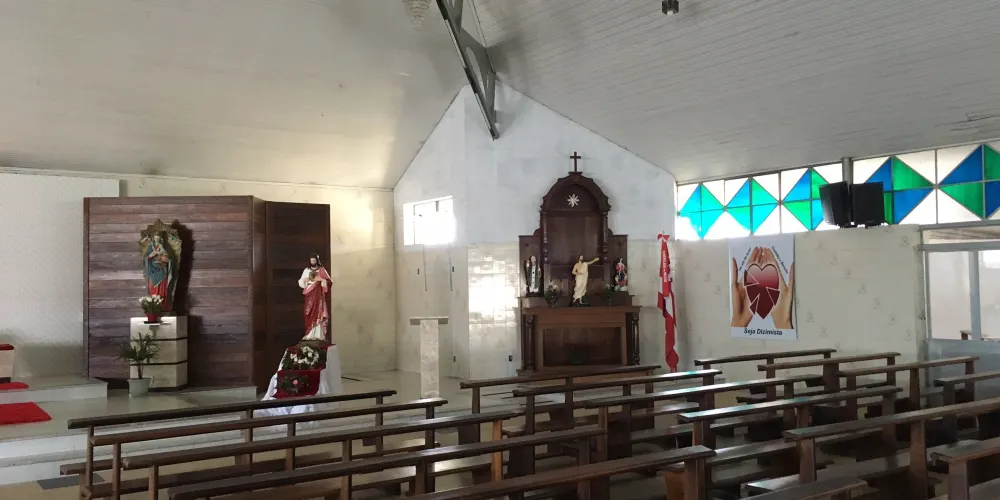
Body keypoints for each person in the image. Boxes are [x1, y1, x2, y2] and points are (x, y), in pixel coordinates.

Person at [298, 254, 331, 341]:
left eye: (314, 260)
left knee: (319, 312)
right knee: (308, 313)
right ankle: (309, 335)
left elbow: (329, 282)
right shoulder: (307, 270)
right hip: (309, 294)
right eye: (311, 260)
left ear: (317, 261)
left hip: (318, 296)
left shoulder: (321, 269)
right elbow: (301, 281)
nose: (313, 262)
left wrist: (322, 280)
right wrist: (305, 280)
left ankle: (319, 335)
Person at [143, 233, 175, 312]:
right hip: (152, 272)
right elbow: (145, 259)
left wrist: (166, 259)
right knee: (153, 289)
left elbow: (170, 260)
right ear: (153, 239)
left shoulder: (164, 248)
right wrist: (151, 255)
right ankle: (153, 308)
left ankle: (163, 307)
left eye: (158, 238)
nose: (157, 240)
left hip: (162, 272)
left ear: (161, 239)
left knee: (162, 290)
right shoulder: (150, 247)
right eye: (155, 238)